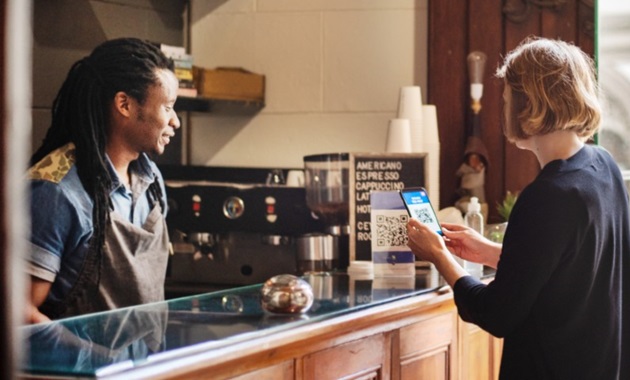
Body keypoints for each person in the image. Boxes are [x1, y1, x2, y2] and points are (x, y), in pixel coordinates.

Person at [406, 37, 629, 379]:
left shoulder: (546, 196)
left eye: (508, 98)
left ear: (529, 105)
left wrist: (440, 256)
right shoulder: (603, 166)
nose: (504, 109)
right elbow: (572, 267)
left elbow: (496, 314)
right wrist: (492, 253)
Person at [26, 38, 180, 324]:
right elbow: (20, 311)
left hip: (144, 367)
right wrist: (87, 359)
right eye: (168, 107)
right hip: (79, 368)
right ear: (124, 104)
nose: (175, 122)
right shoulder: (56, 191)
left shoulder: (152, 181)